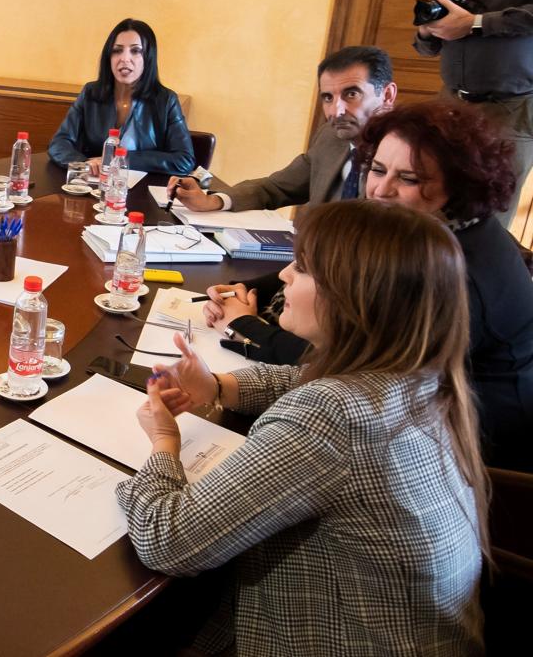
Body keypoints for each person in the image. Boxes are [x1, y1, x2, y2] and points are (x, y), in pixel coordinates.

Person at [118, 201, 487, 655]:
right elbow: (299, 378)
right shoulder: (420, 379)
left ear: (357, 298)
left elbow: (166, 539)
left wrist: (163, 441)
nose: (285, 275)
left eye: (304, 267)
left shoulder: (333, 416)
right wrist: (217, 385)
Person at [205, 100, 533, 471]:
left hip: (476, 451)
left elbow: (354, 368)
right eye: (377, 169)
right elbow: (328, 269)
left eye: (409, 179)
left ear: (458, 187)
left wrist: (245, 325)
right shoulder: (430, 232)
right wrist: (246, 287)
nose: (381, 190)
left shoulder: (452, 274)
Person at [170, 45, 397, 212]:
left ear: (387, 95)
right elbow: (274, 188)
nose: (337, 111)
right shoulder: (330, 137)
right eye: (328, 97)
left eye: (352, 94)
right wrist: (212, 200)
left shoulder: (406, 157)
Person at [414, 0, 533, 229]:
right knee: (429, 207)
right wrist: (427, 27)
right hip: (450, 103)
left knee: (486, 218)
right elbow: (427, 48)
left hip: (510, 109)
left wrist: (474, 23)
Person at [48, 19, 194, 176]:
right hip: (95, 184)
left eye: (135, 51)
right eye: (117, 51)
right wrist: (85, 164)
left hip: (142, 188)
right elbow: (59, 144)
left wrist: (120, 159)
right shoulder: (91, 93)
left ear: (148, 57)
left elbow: (184, 160)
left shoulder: (166, 101)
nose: (124, 58)